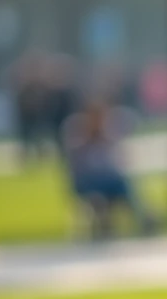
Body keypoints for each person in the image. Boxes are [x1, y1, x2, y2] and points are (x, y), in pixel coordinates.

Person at [61, 100, 156, 239]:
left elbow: (116, 162)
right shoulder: (78, 136)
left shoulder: (108, 135)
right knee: (98, 197)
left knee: (125, 185)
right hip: (89, 182)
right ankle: (104, 223)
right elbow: (76, 167)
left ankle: (145, 217)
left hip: (110, 181)